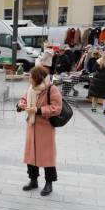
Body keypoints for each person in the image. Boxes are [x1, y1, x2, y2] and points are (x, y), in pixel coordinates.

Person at [18, 65, 62, 196]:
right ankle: (33, 180)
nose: (29, 80)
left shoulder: (51, 89)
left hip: (46, 128)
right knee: (31, 155)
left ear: (38, 78)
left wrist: (38, 110)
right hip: (31, 126)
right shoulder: (31, 88)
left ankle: (49, 183)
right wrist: (20, 104)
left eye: (31, 78)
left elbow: (57, 108)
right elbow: (24, 98)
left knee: (47, 157)